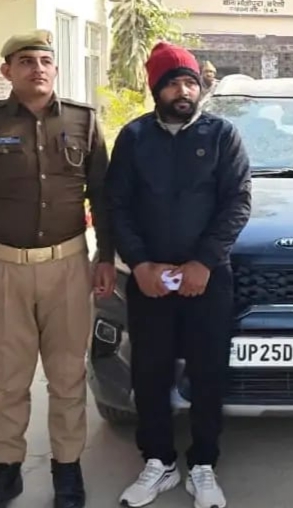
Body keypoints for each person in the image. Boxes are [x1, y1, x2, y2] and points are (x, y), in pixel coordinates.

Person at [106, 41, 251, 508]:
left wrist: (203, 262)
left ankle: (204, 463)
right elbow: (117, 205)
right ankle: (159, 461)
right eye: (173, 83)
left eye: (190, 82)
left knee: (208, 372)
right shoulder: (134, 138)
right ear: (157, 89)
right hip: (149, 280)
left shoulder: (222, 135)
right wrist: (140, 263)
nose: (184, 91)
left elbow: (237, 202)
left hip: (207, 279)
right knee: (149, 372)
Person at [0, 29, 115, 508]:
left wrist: (105, 257)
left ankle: (67, 468)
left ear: (56, 68)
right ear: (7, 70)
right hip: (5, 268)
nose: (38, 68)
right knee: (7, 376)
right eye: (26, 61)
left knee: (67, 375)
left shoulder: (83, 121)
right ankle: (7, 467)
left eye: (45, 60)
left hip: (68, 266)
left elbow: (103, 196)